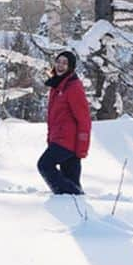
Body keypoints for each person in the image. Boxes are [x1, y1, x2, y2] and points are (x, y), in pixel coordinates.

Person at [38, 50, 91, 195]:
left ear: (71, 67)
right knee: (71, 183)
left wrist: (82, 147)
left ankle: (71, 196)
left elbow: (84, 118)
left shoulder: (73, 87)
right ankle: (78, 212)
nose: (60, 65)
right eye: (58, 62)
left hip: (67, 141)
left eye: (65, 63)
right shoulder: (57, 85)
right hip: (60, 139)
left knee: (44, 165)